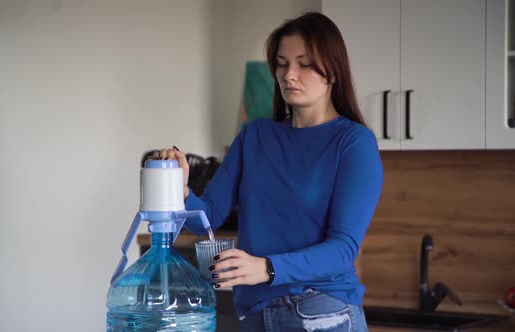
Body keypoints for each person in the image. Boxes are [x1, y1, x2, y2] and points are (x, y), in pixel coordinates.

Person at [153, 12, 383, 332]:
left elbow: (343, 249)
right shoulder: (255, 136)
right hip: (255, 313)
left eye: (303, 63)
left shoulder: (353, 143)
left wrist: (267, 268)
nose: (289, 75)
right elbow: (206, 218)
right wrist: (181, 191)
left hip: (322, 311)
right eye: (281, 63)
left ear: (333, 69)